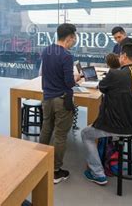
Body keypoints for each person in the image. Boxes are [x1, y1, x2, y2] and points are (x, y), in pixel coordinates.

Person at [81, 43, 132, 185]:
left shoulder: (115, 74)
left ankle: (98, 173)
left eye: (120, 55)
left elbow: (102, 88)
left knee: (85, 134)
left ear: (123, 56)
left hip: (116, 127)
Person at [39, 23, 81, 184]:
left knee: (46, 127)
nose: (74, 40)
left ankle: (39, 160)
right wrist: (76, 78)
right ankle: (55, 170)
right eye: (74, 37)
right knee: (61, 135)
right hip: (61, 100)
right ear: (70, 37)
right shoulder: (66, 55)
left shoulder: (46, 50)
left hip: (47, 97)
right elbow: (69, 82)